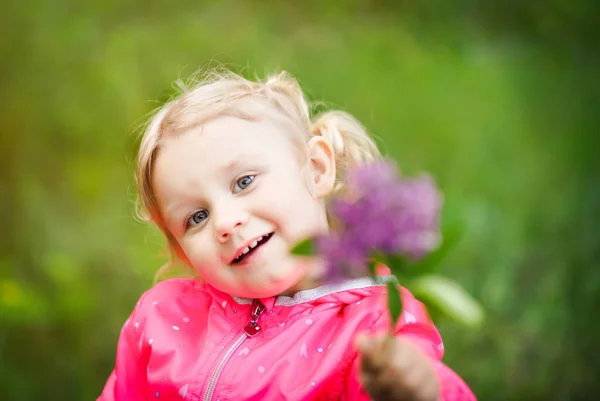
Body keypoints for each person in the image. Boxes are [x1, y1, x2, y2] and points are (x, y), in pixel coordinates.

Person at [98, 70, 476, 401]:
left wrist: (424, 390)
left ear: (316, 169)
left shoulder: (374, 323)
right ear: (181, 251)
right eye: (196, 217)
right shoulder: (162, 318)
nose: (225, 223)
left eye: (244, 182)